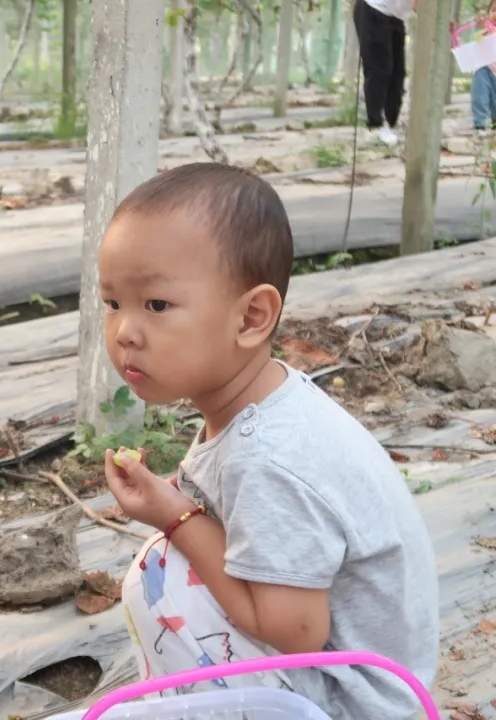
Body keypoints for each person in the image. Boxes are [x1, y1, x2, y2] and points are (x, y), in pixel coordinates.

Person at [96, 163, 439, 720]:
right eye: (113, 302)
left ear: (252, 317)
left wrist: (177, 517)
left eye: (156, 305)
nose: (125, 331)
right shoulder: (260, 407)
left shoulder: (270, 457)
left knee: (167, 574)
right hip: (339, 682)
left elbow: (295, 630)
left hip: (350, 704)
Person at [353, 0, 414, 147]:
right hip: (374, 8)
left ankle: (389, 123)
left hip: (396, 17)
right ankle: (375, 125)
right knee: (379, 69)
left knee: (397, 74)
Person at [470, 2, 496, 134]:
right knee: (480, 95)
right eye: (493, 10)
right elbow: (477, 43)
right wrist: (481, 29)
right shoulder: (485, 31)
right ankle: (479, 122)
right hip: (484, 69)